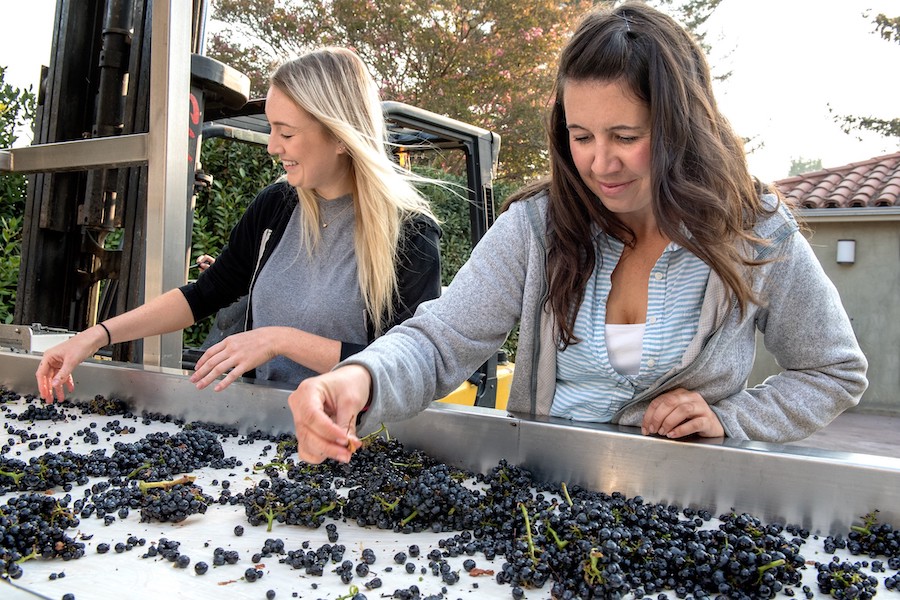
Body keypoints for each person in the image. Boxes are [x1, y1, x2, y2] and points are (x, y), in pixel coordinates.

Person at [286, 2, 869, 464]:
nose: (599, 164)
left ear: (682, 126)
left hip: (683, 520)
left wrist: (733, 420)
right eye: (581, 136)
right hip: (545, 507)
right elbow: (439, 341)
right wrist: (357, 377)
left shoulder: (754, 228)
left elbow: (833, 371)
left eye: (625, 135)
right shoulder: (536, 226)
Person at [36, 47, 442, 402]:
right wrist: (94, 336)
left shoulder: (411, 234)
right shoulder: (276, 205)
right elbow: (204, 295)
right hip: (262, 430)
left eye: (286, 132)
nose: (271, 146)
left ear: (340, 136)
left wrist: (280, 340)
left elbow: (406, 364)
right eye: (271, 129)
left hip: (353, 441)